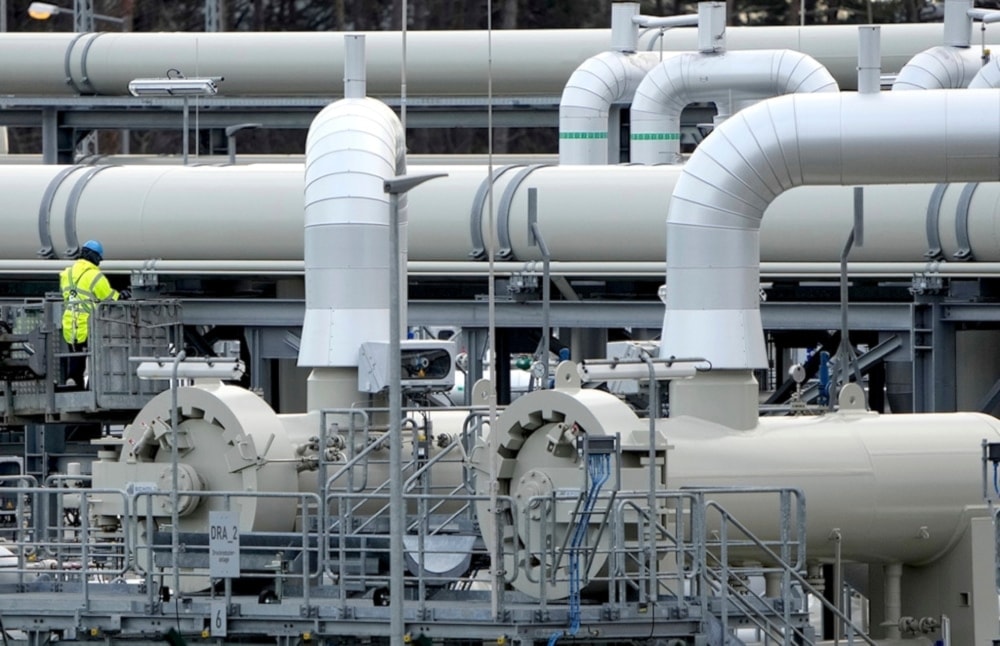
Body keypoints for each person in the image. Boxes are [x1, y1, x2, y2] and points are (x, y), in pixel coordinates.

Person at [59, 240, 128, 388]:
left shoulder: (67, 274)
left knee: (76, 357)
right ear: (92, 255)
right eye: (98, 258)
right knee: (98, 358)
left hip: (70, 322)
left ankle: (74, 384)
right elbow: (108, 297)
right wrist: (121, 295)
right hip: (89, 323)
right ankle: (93, 387)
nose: (99, 262)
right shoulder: (95, 276)